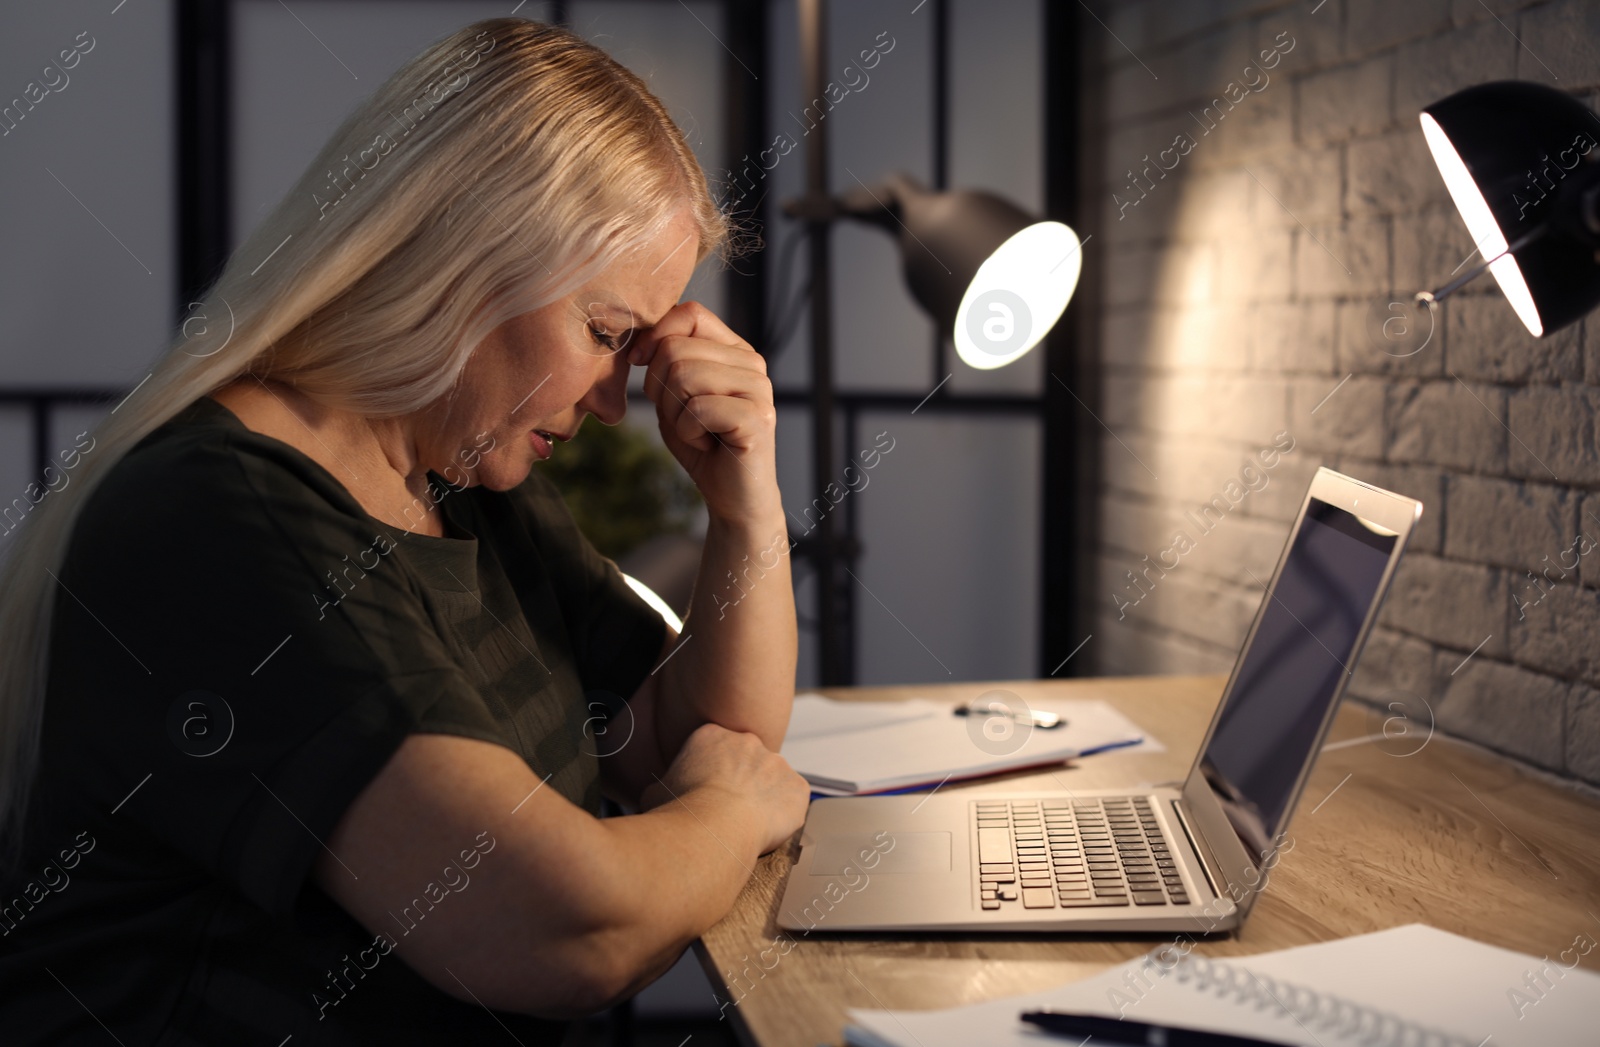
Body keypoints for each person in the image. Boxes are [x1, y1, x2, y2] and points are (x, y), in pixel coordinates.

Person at [0, 17, 810, 1045]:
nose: (618, 403)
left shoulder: (467, 484)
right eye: (606, 335)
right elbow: (557, 931)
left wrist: (744, 502)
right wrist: (732, 814)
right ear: (462, 259)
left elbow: (693, 743)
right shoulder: (221, 517)